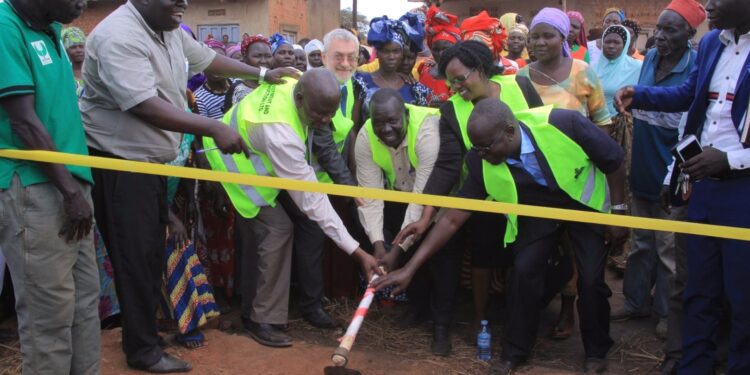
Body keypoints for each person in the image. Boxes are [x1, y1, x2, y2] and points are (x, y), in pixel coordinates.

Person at [79, 0, 298, 371]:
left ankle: (143, 335)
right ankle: (142, 350)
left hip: (147, 165)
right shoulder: (118, 36)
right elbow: (143, 105)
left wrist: (262, 74)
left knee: (149, 254)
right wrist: (213, 127)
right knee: (135, 259)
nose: (182, 2)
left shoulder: (166, 27)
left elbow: (208, 60)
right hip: (118, 164)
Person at [378, 98, 626, 374]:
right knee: (523, 271)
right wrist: (411, 268)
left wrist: (618, 212)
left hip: (585, 204)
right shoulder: (480, 159)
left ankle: (596, 350)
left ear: (510, 132)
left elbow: (613, 160)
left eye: (486, 146)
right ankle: (515, 351)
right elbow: (452, 218)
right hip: (538, 210)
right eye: (477, 148)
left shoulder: (563, 123)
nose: (481, 154)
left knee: (591, 280)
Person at [614, 0, 750, 372]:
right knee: (699, 289)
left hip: (743, 191)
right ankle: (694, 364)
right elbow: (689, 94)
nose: (710, 5)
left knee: (742, 297)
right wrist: (640, 93)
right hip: (702, 186)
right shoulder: (711, 44)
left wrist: (732, 160)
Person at [203, 69, 382, 348]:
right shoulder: (280, 132)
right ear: (299, 98)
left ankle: (260, 308)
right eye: (318, 114)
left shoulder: (296, 81)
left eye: (330, 113)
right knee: (277, 230)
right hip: (236, 168)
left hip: (265, 165)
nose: (324, 121)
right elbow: (312, 200)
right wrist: (357, 251)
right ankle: (260, 320)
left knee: (279, 231)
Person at [394, 40, 543, 338]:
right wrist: (427, 214)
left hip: (533, 191)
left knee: (527, 260)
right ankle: (480, 316)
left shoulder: (520, 86)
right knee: (483, 256)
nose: (457, 87)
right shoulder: (452, 111)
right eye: (450, 83)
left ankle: (521, 318)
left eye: (461, 79)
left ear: (481, 68)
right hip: (485, 194)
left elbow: (544, 126)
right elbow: (448, 165)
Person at [0, 0, 100, 374]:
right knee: (49, 313)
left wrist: (77, 188)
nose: (83, 3)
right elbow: (24, 122)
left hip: (71, 184)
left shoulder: (52, 28)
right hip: (37, 188)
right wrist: (69, 192)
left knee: (84, 303)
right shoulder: (4, 26)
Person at [611, 3, 702, 372]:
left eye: (672, 30)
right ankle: (635, 302)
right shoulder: (649, 59)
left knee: (668, 251)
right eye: (658, 30)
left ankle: (666, 315)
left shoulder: (695, 67)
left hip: (673, 171)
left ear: (689, 35)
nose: (661, 37)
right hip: (643, 165)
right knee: (641, 242)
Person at [355, 89, 461, 355]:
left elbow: (422, 197)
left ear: (406, 113)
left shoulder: (427, 129)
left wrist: (398, 249)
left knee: (442, 262)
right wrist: (379, 245)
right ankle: (418, 309)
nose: (385, 129)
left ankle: (441, 325)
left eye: (392, 121)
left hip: (439, 201)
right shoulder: (366, 135)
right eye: (379, 122)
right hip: (401, 196)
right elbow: (370, 195)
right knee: (403, 255)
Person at [519, 7, 612, 129]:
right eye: (535, 37)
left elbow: (602, 121)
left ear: (563, 38)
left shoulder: (583, 71)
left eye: (548, 36)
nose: (540, 42)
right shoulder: (521, 77)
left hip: (577, 147)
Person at [355, 14, 432, 121]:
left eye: (396, 51)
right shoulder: (361, 82)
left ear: (401, 54)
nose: (391, 57)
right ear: (377, 53)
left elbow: (421, 126)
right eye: (386, 51)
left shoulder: (415, 89)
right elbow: (353, 127)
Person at [595, 25, 643, 120]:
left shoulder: (637, 67)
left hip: (620, 125)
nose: (611, 46)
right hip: (593, 123)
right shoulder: (592, 67)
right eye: (607, 42)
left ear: (625, 45)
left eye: (616, 42)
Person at [418, 5, 461, 106]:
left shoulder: (463, 74)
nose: (441, 54)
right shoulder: (423, 69)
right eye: (435, 49)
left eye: (445, 49)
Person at [226, 35, 273, 107]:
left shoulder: (276, 84)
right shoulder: (237, 90)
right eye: (257, 56)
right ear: (245, 58)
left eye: (268, 56)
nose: (264, 61)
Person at [62, 26, 87, 97]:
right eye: (73, 47)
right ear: (66, 50)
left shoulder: (93, 70)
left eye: (81, 46)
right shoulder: (64, 74)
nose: (78, 50)